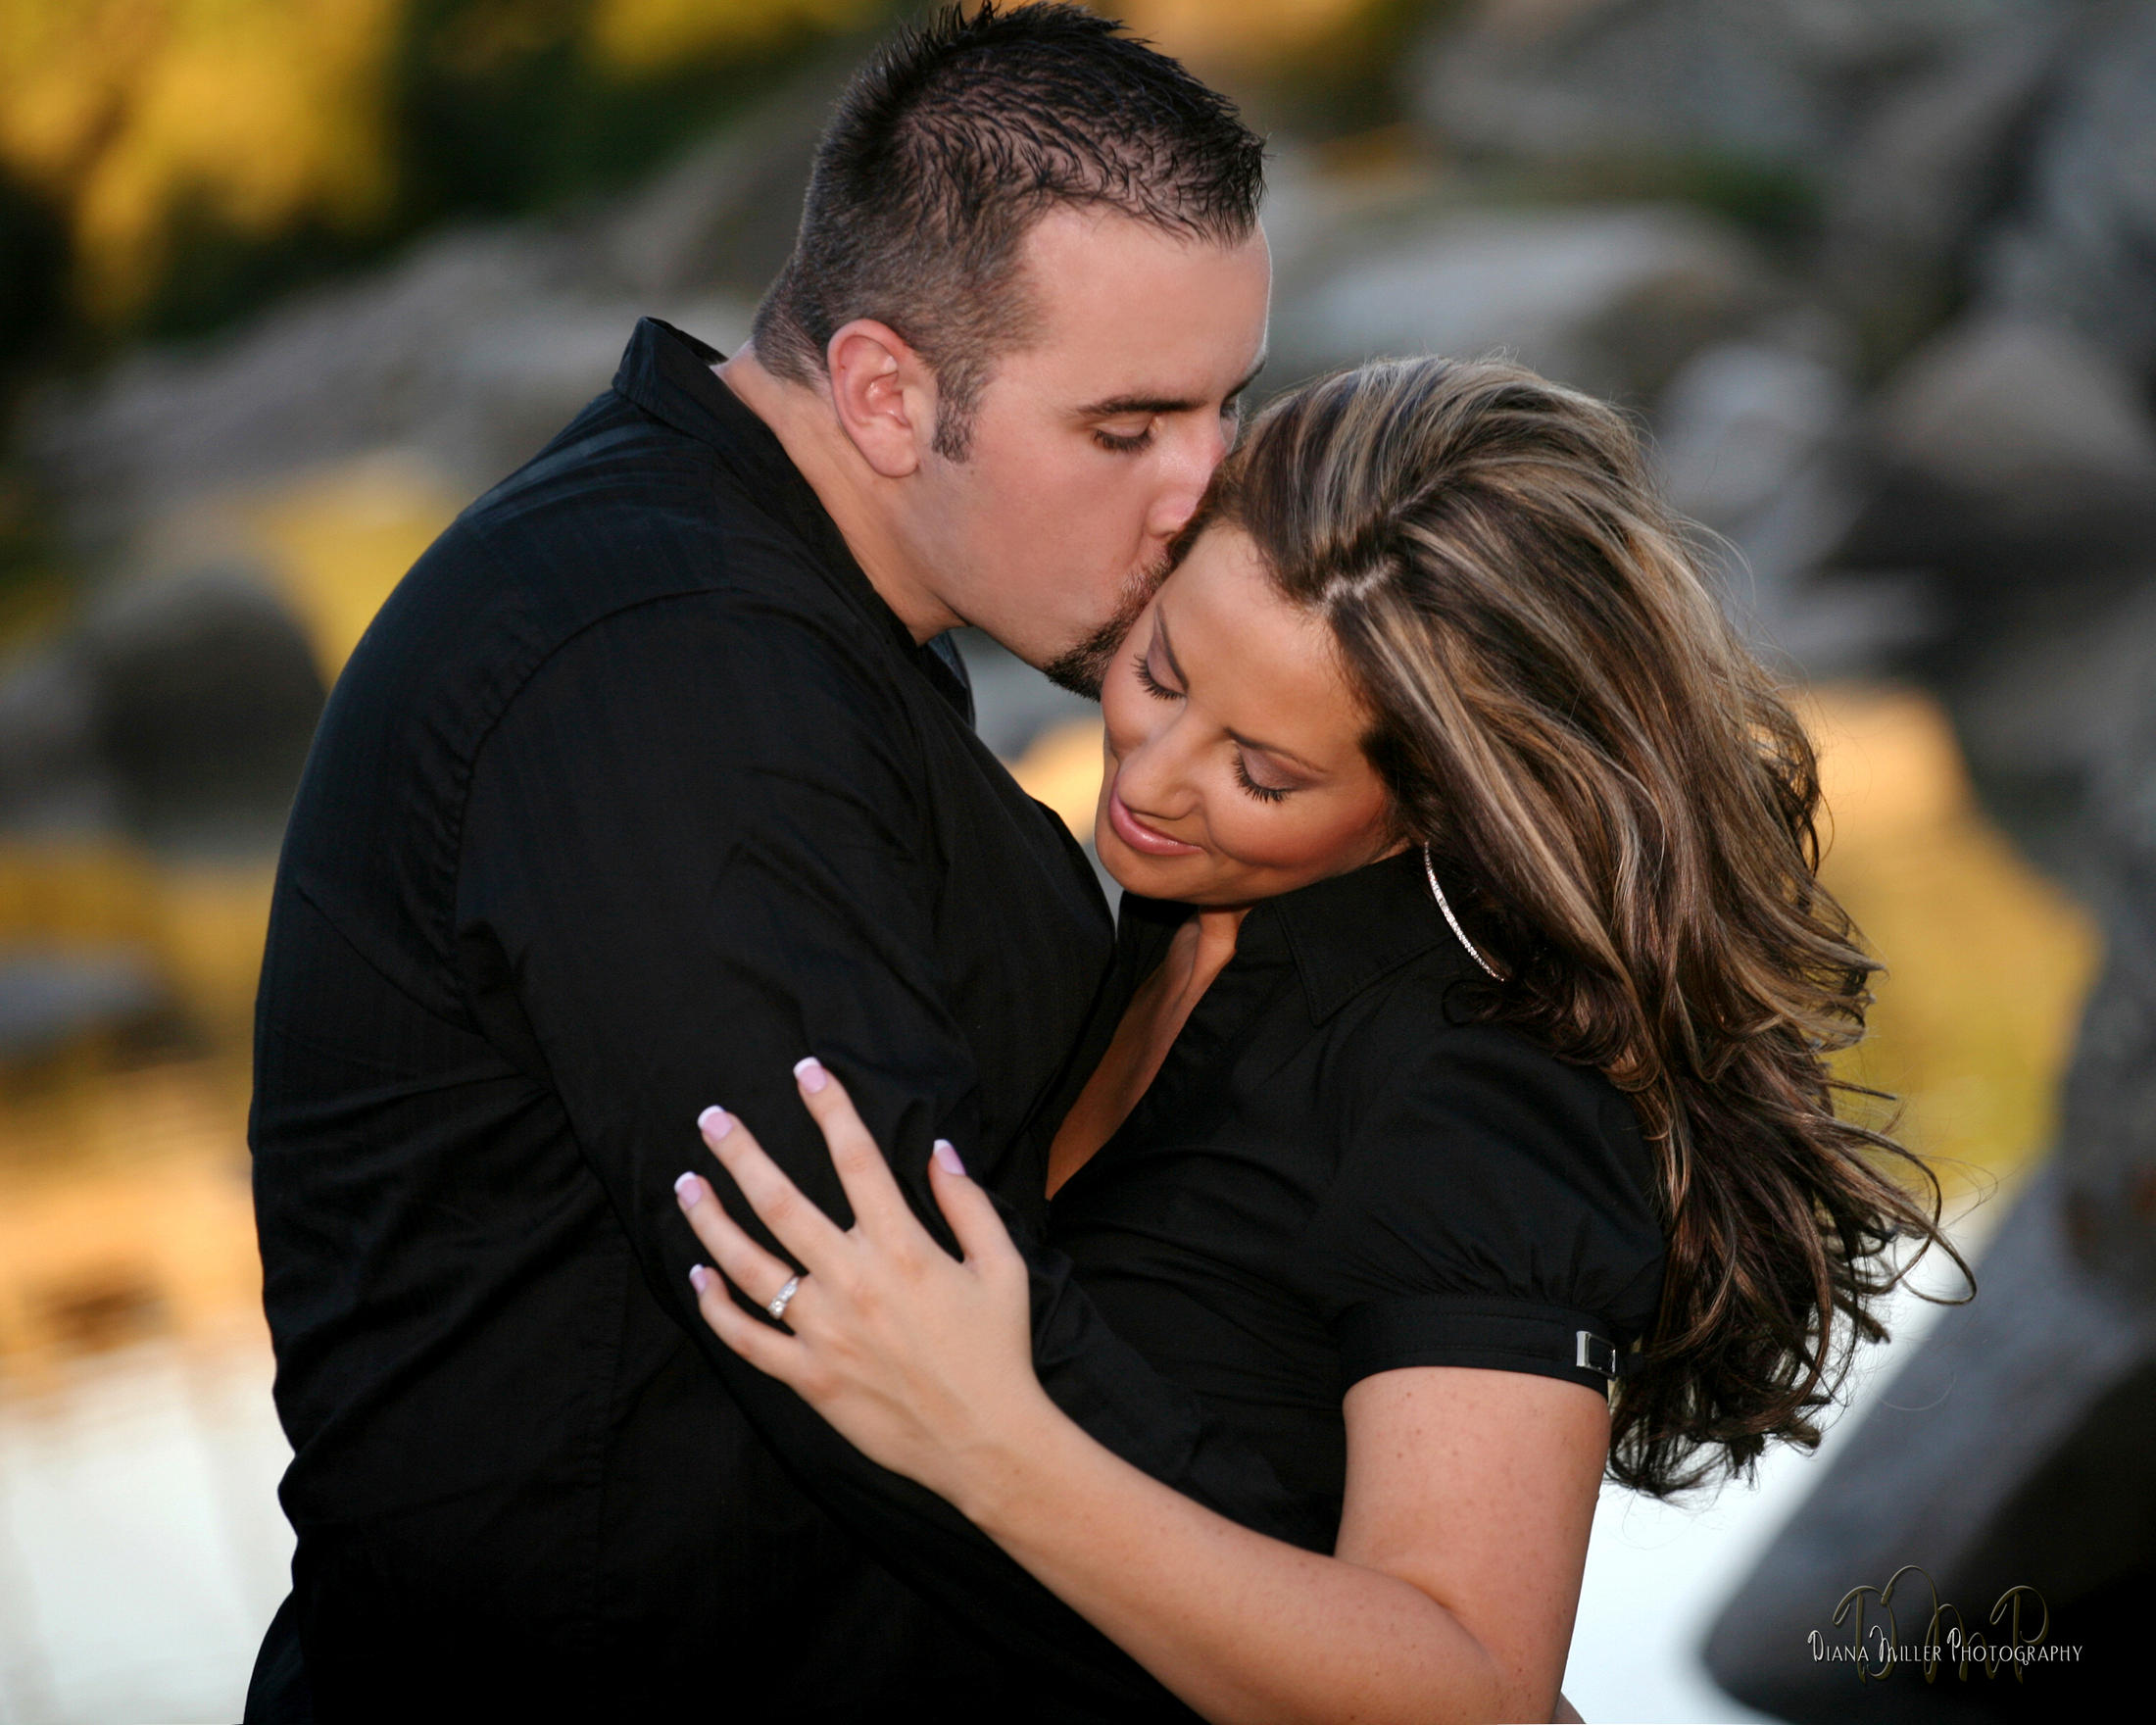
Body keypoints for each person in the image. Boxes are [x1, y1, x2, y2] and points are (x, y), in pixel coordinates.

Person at [246, 8, 1310, 1720]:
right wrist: (1341, 1645)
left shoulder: (780, 603)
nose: (1206, 489)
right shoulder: (667, 675)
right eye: (1127, 431)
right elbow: (893, 1332)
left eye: (1225, 405)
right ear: (888, 392)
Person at [673, 356, 1966, 1723]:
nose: (1153, 779)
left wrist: (984, 1441)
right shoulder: (1171, 922)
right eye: (1161, 671)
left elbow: (1471, 1691)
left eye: (1264, 771)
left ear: (1436, 805)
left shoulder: (1478, 1088)